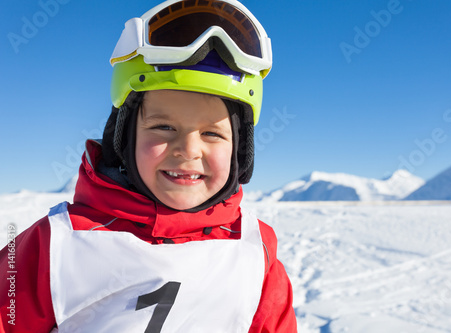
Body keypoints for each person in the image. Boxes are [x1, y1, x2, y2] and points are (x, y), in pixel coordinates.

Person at [0, 0, 297, 332]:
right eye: (164, 127)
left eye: (212, 133)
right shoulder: (55, 245)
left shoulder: (255, 253)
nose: (188, 150)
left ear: (239, 150)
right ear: (124, 138)